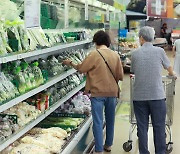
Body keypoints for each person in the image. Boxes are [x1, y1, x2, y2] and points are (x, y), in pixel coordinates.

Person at [63, 30, 124, 154]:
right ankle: (108, 145)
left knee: (98, 121)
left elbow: (81, 69)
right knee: (110, 119)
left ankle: (99, 149)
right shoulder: (115, 55)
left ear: (96, 41)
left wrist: (70, 63)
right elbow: (120, 75)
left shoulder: (94, 54)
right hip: (112, 93)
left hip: (97, 93)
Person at [130, 26, 176, 154]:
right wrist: (173, 74)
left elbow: (133, 71)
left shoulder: (135, 53)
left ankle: (144, 152)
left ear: (141, 38)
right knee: (159, 126)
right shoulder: (160, 52)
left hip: (139, 97)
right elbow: (169, 68)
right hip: (157, 96)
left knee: (142, 127)